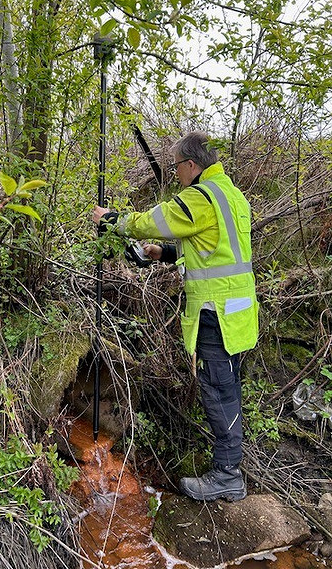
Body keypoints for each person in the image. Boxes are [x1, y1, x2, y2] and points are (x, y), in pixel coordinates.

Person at [92, 130, 259, 502]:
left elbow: (156, 219)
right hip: (236, 312)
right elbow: (213, 249)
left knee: (218, 392)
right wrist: (164, 254)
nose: (176, 175)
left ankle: (227, 475)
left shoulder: (201, 196)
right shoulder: (231, 194)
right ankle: (228, 468)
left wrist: (113, 219)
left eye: (176, 167)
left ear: (190, 164)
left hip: (216, 312)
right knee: (226, 388)